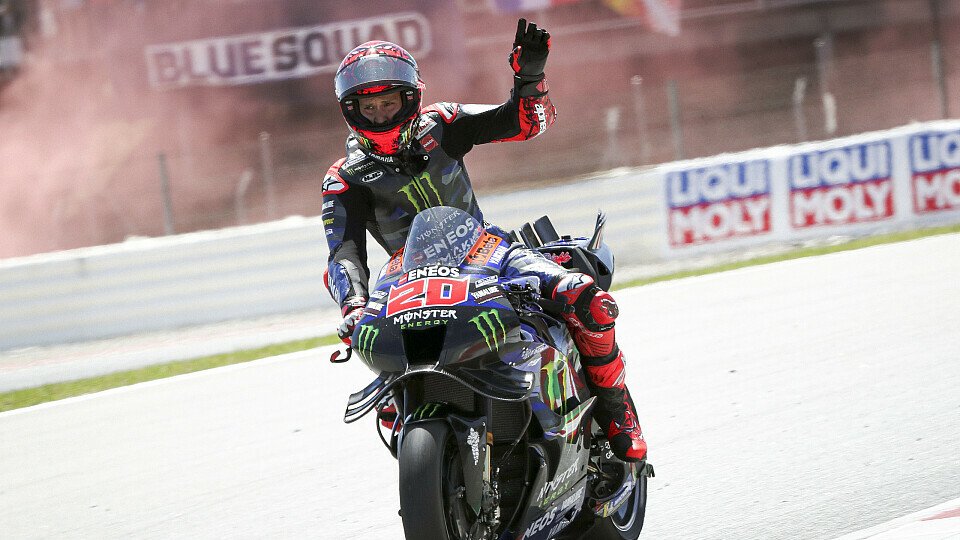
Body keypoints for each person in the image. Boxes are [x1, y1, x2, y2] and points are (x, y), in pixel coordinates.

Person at [322, 19, 646, 462]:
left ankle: (615, 410)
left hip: (486, 252)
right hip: (403, 279)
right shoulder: (344, 178)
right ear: (350, 110)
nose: (380, 115)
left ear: (412, 98)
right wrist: (354, 306)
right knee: (384, 396)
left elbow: (525, 124)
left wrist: (529, 80)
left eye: (390, 103)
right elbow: (344, 252)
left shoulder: (444, 124)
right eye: (369, 107)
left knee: (584, 297)